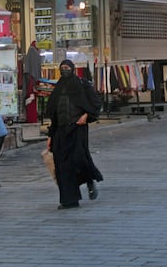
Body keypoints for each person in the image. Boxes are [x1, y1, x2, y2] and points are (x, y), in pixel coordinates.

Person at [45, 59, 103, 209]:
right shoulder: (58, 88)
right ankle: (69, 201)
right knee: (62, 166)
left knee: (79, 159)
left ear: (72, 69)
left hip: (77, 129)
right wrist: (51, 135)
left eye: (67, 67)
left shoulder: (82, 85)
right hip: (60, 132)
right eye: (62, 67)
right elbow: (54, 114)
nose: (64, 70)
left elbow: (96, 104)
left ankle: (89, 180)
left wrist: (87, 116)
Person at [23, 41, 42, 123]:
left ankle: (31, 119)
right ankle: (32, 119)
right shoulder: (33, 52)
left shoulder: (31, 52)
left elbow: (28, 70)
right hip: (33, 82)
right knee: (32, 102)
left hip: (30, 83)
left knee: (30, 102)